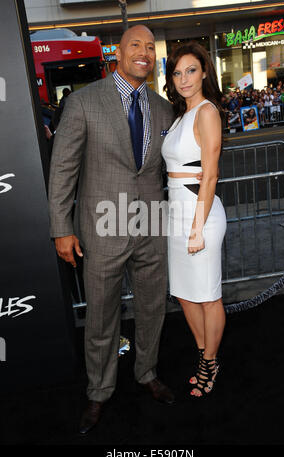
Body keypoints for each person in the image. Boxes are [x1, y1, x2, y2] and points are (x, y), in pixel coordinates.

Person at [48, 25, 176, 435]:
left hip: (151, 223)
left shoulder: (162, 108)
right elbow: (63, 168)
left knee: (152, 307)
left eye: (150, 47)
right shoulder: (84, 102)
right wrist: (60, 228)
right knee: (102, 315)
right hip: (102, 225)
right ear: (116, 54)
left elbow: (161, 170)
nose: (144, 52)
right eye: (134, 45)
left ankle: (147, 372)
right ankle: (99, 391)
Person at [162, 42, 227, 397]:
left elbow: (211, 175)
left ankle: (208, 362)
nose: (184, 78)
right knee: (186, 295)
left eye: (190, 70)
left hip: (199, 213)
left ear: (204, 71)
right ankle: (207, 355)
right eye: (177, 72)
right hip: (176, 213)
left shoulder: (206, 112)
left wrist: (197, 228)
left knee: (207, 295)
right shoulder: (180, 116)